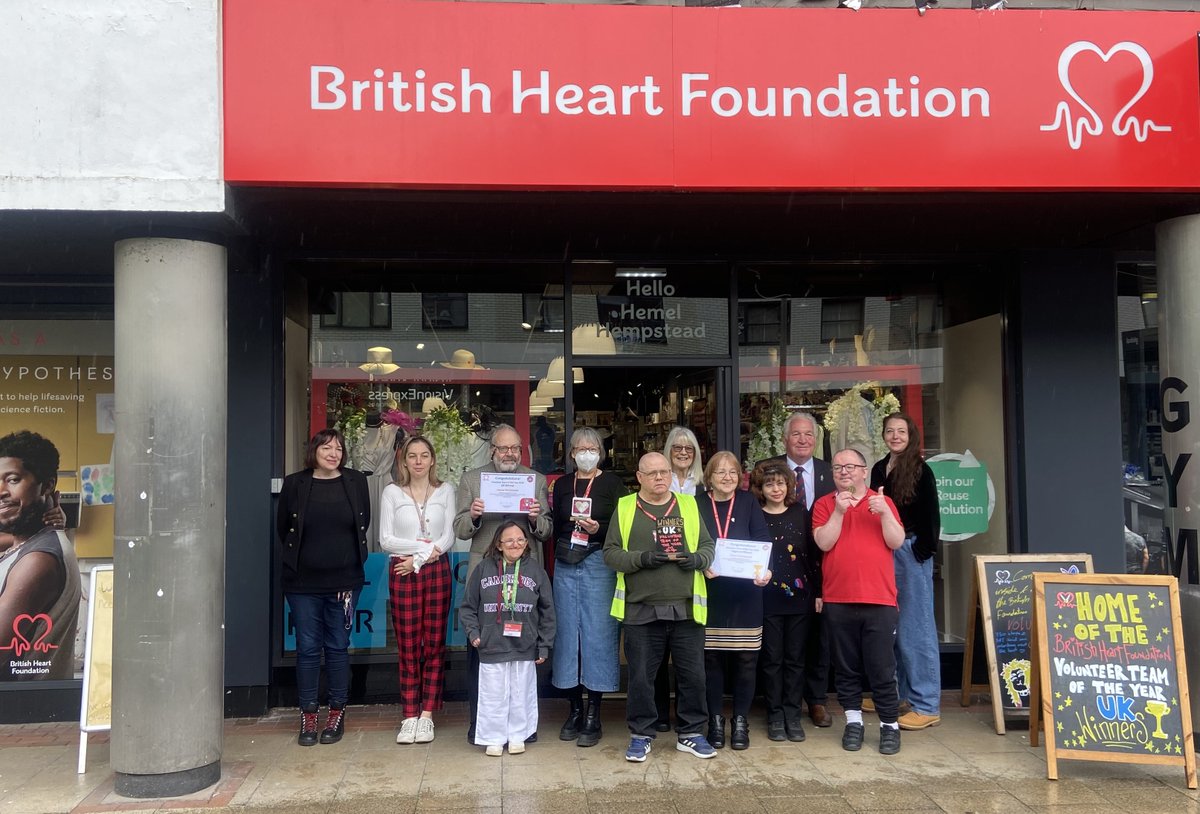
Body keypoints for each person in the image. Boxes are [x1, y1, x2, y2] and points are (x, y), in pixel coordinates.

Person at [603, 451, 716, 763]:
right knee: (641, 677)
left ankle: (692, 733)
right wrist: (641, 559)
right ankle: (641, 735)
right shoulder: (626, 507)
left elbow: (708, 545)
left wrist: (698, 559)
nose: (659, 478)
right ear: (639, 477)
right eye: (652, 473)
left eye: (664, 472)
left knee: (693, 675)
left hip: (686, 606)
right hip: (641, 608)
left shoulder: (689, 505)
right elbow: (610, 554)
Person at [453, 423, 552, 741]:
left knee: (524, 654)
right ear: (491, 450)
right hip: (485, 575)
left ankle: (524, 727)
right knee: (481, 651)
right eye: (502, 447)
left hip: (525, 576)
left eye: (515, 448)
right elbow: (460, 528)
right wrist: (476, 515)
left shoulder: (534, 480)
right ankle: (478, 723)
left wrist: (537, 519)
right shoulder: (472, 479)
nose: (509, 453)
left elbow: (548, 530)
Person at [277, 428, 371, 746]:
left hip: (345, 583)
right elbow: (283, 529)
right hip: (302, 583)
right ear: (314, 451)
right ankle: (308, 715)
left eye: (339, 449)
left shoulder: (356, 482)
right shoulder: (295, 483)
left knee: (337, 647)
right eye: (327, 448)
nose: (333, 454)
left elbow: (363, 523)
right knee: (307, 649)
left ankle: (336, 713)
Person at [813, 448, 905, 756]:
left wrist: (886, 513)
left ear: (864, 471)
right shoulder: (825, 505)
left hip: (879, 598)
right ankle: (854, 722)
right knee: (846, 667)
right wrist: (839, 511)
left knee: (881, 667)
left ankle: (889, 726)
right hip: (838, 598)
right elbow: (823, 542)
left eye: (851, 467)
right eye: (838, 467)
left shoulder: (883, 502)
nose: (844, 472)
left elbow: (896, 541)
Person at [551, 427, 627, 747]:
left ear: (600, 451)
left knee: (598, 634)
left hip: (599, 561)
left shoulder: (612, 483)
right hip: (567, 562)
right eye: (580, 448)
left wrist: (600, 528)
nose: (585, 452)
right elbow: (555, 523)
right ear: (571, 453)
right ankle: (574, 708)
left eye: (591, 447)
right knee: (568, 634)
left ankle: (594, 712)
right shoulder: (562, 485)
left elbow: (624, 523)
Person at [379, 435, 455, 745]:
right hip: (402, 570)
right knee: (408, 643)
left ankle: (427, 715)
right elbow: (386, 540)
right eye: (413, 456)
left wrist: (419, 558)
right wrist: (421, 552)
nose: (419, 461)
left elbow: (448, 535)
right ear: (404, 460)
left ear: (433, 459)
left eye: (425, 455)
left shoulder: (446, 490)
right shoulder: (392, 492)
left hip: (436, 570)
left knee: (434, 642)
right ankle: (409, 713)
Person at [760, 411, 834, 728]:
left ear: (815, 440)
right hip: (777, 577)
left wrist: (818, 586)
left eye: (808, 435)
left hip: (820, 564)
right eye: (796, 434)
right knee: (778, 651)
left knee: (816, 641)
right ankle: (777, 709)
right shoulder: (769, 471)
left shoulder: (829, 473)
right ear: (785, 438)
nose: (803, 440)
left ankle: (815, 700)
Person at [869, 413, 943, 731]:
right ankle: (896, 695)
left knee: (917, 629)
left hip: (910, 553)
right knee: (892, 627)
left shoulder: (922, 471)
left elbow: (931, 517)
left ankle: (926, 704)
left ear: (911, 435)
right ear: (883, 436)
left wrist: (920, 551)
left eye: (901, 431)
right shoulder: (878, 468)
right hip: (884, 553)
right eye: (890, 431)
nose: (896, 436)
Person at [460, 521, 556, 756]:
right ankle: (493, 737)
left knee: (521, 693)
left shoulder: (536, 571)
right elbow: (468, 607)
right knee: (493, 694)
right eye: (509, 540)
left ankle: (517, 735)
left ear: (526, 544)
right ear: (499, 545)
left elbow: (548, 612)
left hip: (525, 645)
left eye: (520, 540)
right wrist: (474, 633)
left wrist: (544, 645)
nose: (515, 544)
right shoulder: (483, 569)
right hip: (491, 646)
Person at [698, 452, 771, 750]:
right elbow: (690, 542)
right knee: (711, 660)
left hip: (746, 593)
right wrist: (700, 564)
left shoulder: (748, 502)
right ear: (709, 476)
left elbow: (763, 538)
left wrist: (766, 570)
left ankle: (740, 720)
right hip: (710, 591)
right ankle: (715, 719)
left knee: (746, 660)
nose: (727, 477)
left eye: (732, 472)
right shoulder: (697, 503)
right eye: (720, 472)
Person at [751, 460, 822, 744]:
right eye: (770, 484)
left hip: (800, 600)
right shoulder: (756, 516)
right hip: (767, 599)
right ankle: (775, 714)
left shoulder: (800, 513)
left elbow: (813, 557)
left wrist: (818, 592)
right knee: (772, 660)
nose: (776, 488)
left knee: (795, 659)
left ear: (789, 486)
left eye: (781, 483)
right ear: (761, 488)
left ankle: (793, 714)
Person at [0, 431, 80, 681]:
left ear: (47, 485)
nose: (0, 491)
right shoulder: (22, 547)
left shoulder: (37, 561)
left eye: (12, 480)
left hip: (18, 714)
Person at [655, 424, 705, 728]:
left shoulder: (703, 485)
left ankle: (688, 716)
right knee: (657, 651)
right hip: (660, 570)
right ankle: (660, 713)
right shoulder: (659, 482)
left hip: (692, 575)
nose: (683, 453)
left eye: (689, 448)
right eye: (677, 448)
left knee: (688, 658)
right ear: (668, 452)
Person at [664, 426, 703, 496]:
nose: (683, 453)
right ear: (669, 450)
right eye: (678, 447)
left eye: (689, 448)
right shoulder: (661, 481)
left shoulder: (704, 484)